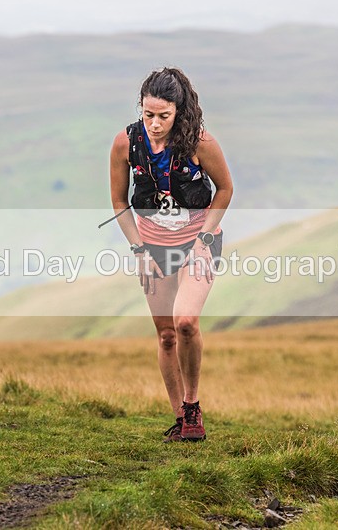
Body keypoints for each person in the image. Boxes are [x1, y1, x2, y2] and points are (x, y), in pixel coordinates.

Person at [108, 68, 233, 442]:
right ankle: (181, 420)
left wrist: (204, 240)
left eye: (164, 115)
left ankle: (193, 407)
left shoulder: (200, 142)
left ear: (179, 111)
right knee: (165, 336)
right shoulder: (125, 143)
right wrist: (139, 250)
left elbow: (225, 189)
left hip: (198, 243)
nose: (155, 124)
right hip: (151, 246)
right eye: (148, 114)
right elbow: (118, 202)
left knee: (186, 322)